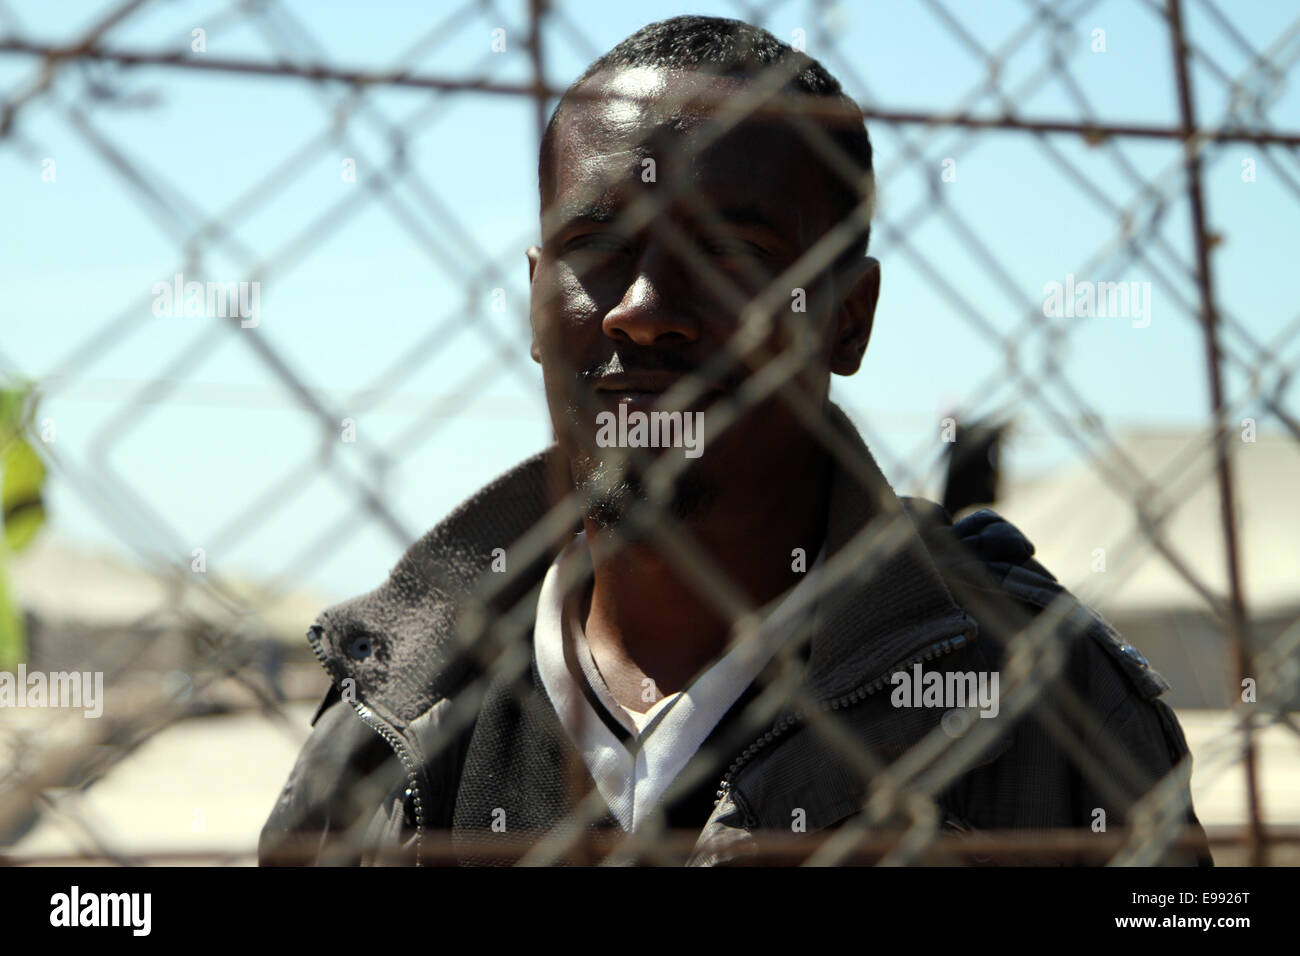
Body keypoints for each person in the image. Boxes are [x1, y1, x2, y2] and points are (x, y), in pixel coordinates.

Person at [259, 14, 1211, 867]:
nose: (641, 312)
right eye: (598, 250)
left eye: (726, 253)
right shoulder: (391, 716)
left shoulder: (1041, 702)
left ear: (849, 319)